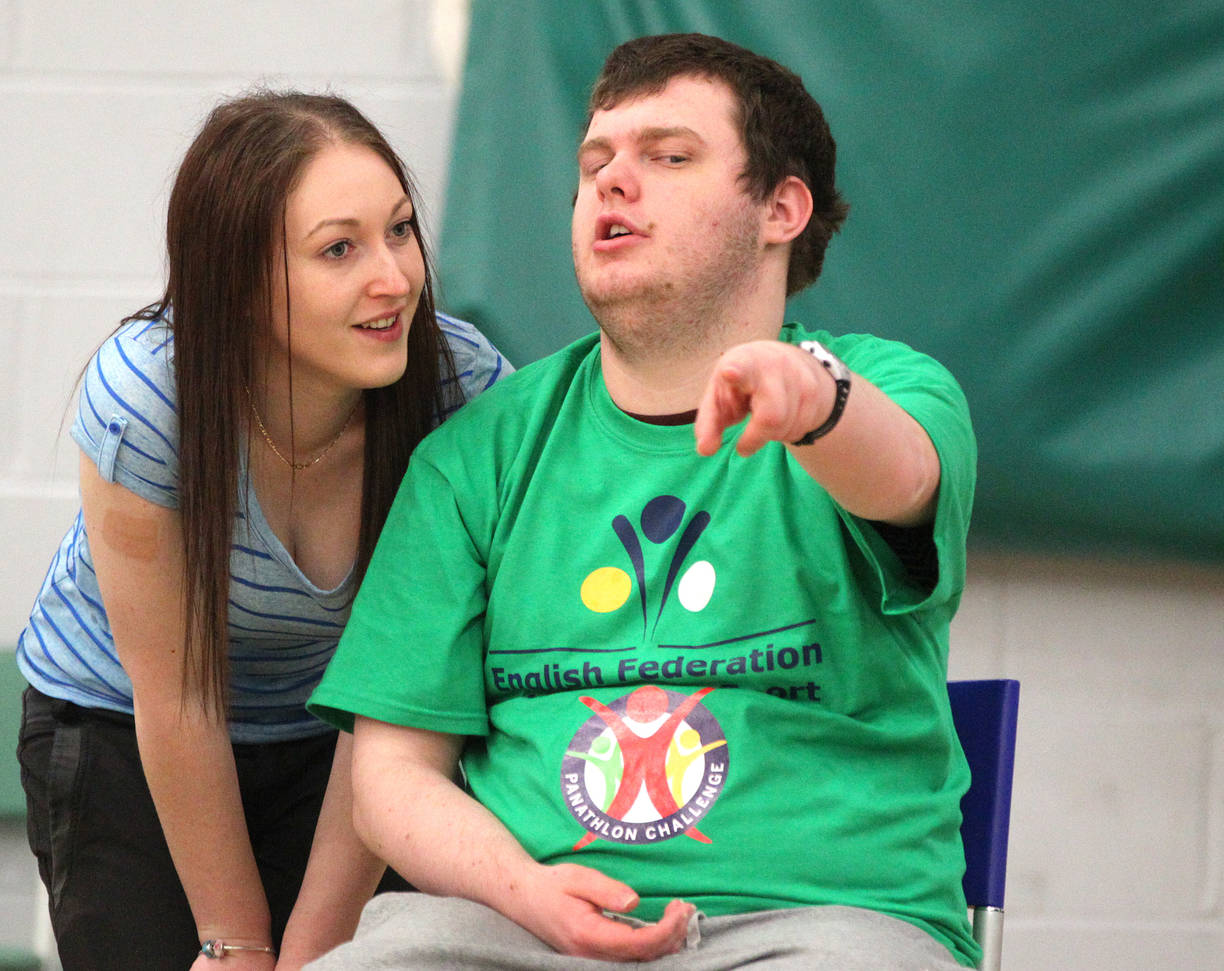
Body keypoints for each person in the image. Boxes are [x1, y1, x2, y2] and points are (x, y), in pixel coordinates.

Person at [307, 33, 980, 970]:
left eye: (668, 156)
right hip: (513, 928)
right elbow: (389, 778)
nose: (613, 182)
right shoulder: (477, 453)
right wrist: (524, 889)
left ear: (782, 207)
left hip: (818, 929)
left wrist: (814, 401)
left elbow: (905, 475)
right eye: (596, 162)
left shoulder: (884, 390)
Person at [14, 89, 511, 971]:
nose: (394, 278)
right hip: (128, 729)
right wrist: (236, 940)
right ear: (236, 282)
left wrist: (317, 950)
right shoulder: (148, 398)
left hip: (355, 738)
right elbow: (178, 698)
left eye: (400, 231)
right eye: (339, 249)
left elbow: (393, 698)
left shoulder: (461, 393)